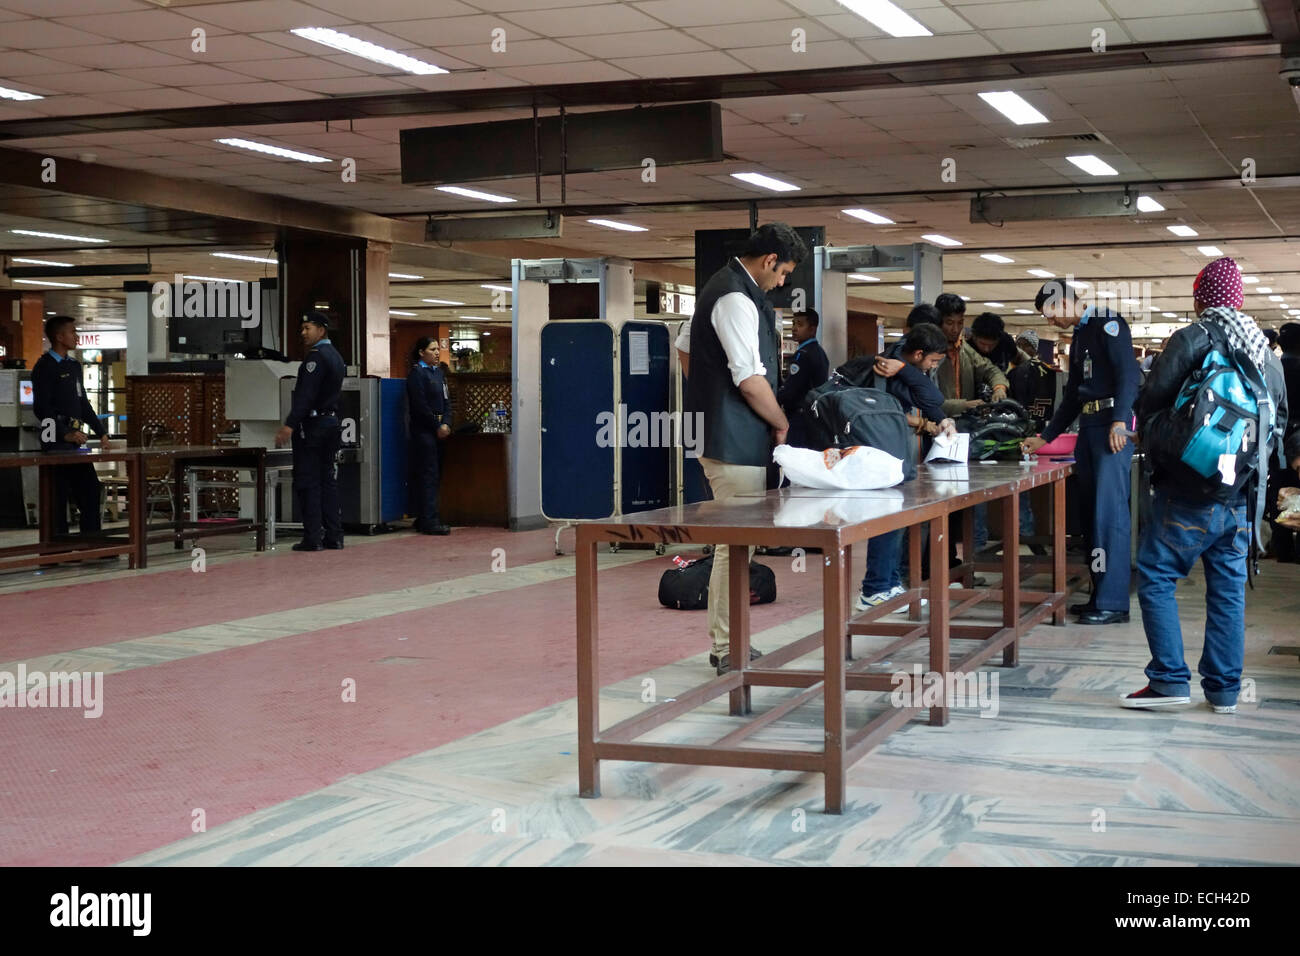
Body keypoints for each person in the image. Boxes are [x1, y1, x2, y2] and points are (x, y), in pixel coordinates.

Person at [1124, 257, 1288, 712]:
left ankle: (1169, 681)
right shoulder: (1264, 353)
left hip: (1185, 491)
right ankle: (1224, 692)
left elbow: (1151, 402)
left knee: (1157, 577)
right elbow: (1279, 422)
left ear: (1201, 299)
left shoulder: (1192, 338)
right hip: (1241, 498)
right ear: (1239, 299)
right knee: (1228, 591)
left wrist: (1158, 440)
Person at [685, 222, 808, 674]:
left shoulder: (722, 288)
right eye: (784, 273)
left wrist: (707, 395)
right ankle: (727, 647)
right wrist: (781, 422)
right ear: (770, 260)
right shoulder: (734, 298)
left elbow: (685, 350)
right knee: (734, 546)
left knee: (737, 544)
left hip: (725, 435)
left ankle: (729, 641)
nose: (782, 282)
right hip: (733, 441)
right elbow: (750, 380)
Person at [1022, 279, 1140, 625]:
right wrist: (1046, 437)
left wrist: (1121, 421)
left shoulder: (1107, 324)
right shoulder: (1079, 336)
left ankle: (1113, 602)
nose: (1050, 321)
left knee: (1108, 516)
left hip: (1110, 430)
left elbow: (1129, 375)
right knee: (1090, 517)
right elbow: (1074, 395)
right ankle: (1099, 594)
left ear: (1064, 302)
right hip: (1089, 429)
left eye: (1050, 313)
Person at [856, 322, 955, 609]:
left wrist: (943, 419)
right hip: (880, 450)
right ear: (918, 353)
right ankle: (875, 588)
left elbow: (930, 401)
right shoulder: (888, 365)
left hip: (889, 449)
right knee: (887, 518)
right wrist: (903, 369)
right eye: (933, 361)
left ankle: (889, 584)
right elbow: (933, 397)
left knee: (895, 519)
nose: (933, 368)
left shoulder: (900, 362)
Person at [30, 315, 109, 538]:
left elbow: (82, 403)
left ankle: (91, 543)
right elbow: (42, 409)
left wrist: (101, 432)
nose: (77, 336)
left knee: (90, 491)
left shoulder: (73, 366)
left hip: (75, 444)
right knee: (57, 498)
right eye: (72, 332)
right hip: (55, 443)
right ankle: (56, 547)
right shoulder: (44, 367)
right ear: (59, 336)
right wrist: (64, 434)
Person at [275, 312, 346, 551]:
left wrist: (290, 424)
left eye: (308, 328)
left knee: (308, 481)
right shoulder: (336, 356)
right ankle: (334, 535)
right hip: (331, 422)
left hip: (313, 426)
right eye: (302, 328)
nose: (303, 332)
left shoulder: (315, 357)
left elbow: (305, 396)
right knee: (327, 480)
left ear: (321, 330)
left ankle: (313, 537)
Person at [407, 336, 452, 535]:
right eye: (432, 349)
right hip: (424, 430)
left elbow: (447, 401)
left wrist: (447, 423)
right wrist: (436, 426)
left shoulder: (439, 373)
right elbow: (420, 405)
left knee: (436, 474)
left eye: (437, 349)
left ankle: (426, 515)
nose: (436, 353)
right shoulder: (417, 374)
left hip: (440, 429)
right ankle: (429, 520)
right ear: (421, 352)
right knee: (428, 475)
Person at [776, 309, 829, 448]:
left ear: (812, 329)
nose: (794, 328)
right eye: (793, 323)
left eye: (800, 324)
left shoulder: (803, 355)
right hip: (813, 414)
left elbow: (792, 388)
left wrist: (774, 399)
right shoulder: (819, 352)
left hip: (799, 415)